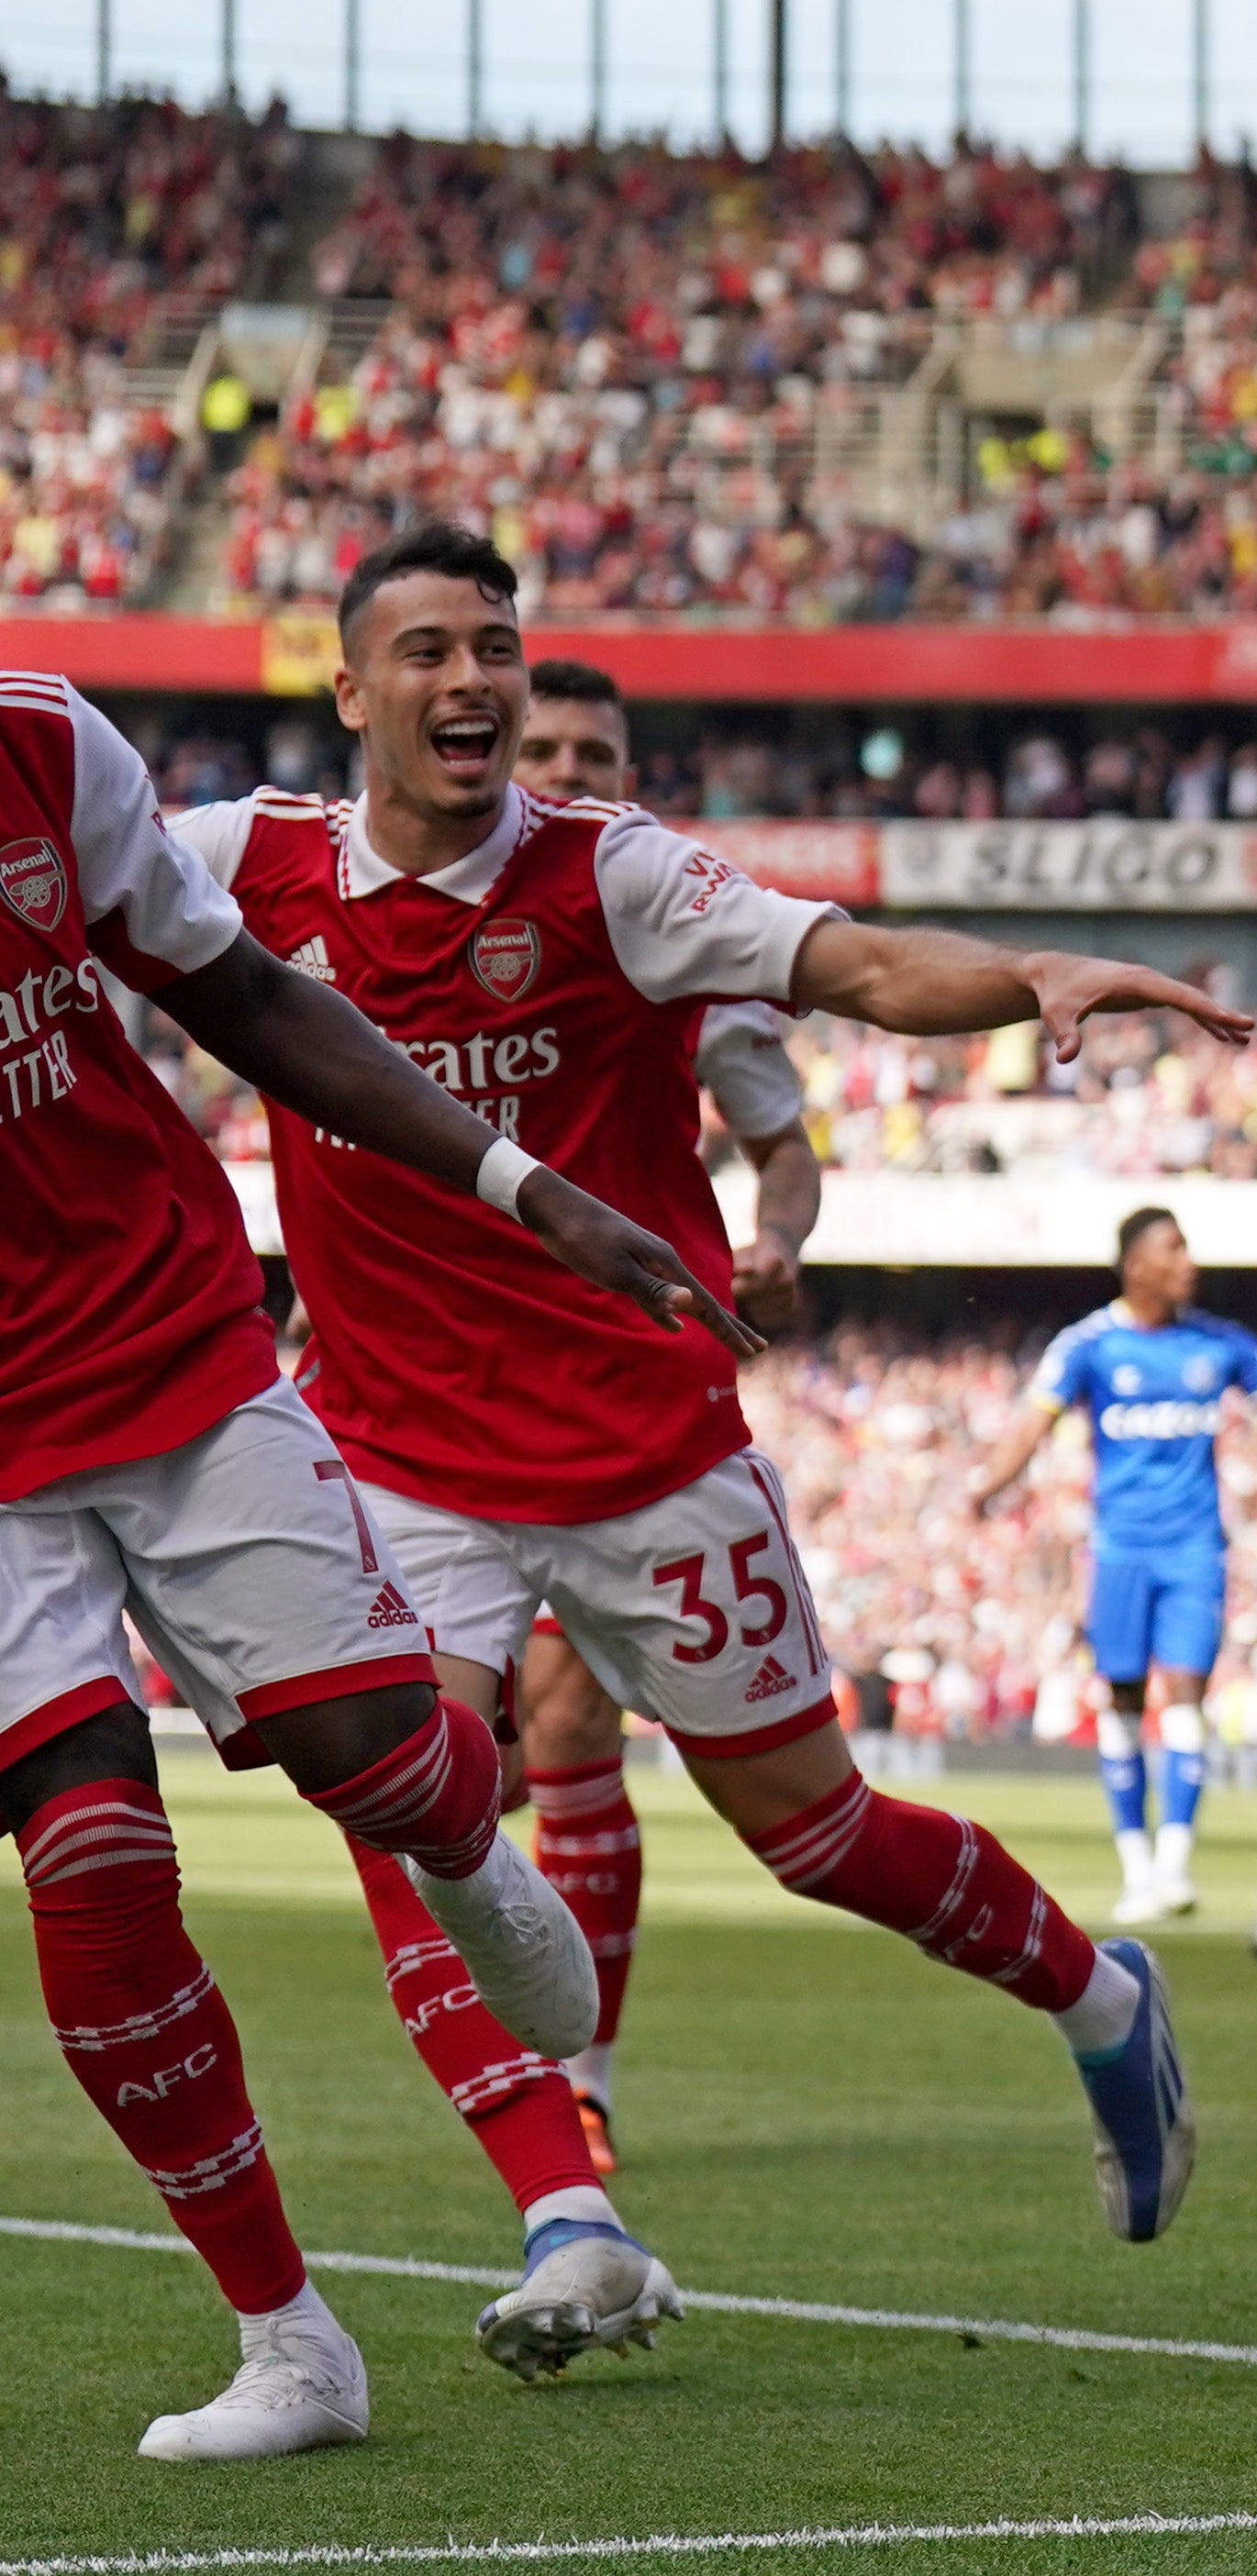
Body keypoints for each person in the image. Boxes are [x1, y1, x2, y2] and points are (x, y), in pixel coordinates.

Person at [170, 522, 1218, 2248]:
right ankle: (567, 2206)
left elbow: (866, 969)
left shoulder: (615, 873)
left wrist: (1031, 979)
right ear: (350, 689)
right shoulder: (246, 862)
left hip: (646, 1446)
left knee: (814, 1834)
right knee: (412, 1785)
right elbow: (59, 866)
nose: (473, 681)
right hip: (403, 1454)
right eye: (429, 651)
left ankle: (1105, 2002)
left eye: (495, 647)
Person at [4, 666, 731, 2456]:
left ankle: (471, 1835)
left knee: (380, 1765)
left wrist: (528, 1187)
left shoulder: (40, 740)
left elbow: (246, 990)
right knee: (89, 1848)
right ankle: (291, 2344)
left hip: (174, 1347)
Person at [502, 653, 828, 2178]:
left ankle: (581, 2078)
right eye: (545, 741)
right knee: (436, 1754)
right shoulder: (406, 903)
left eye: (597, 749)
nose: (568, 765)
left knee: (568, 1721)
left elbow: (782, 1141)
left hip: (614, 1377)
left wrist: (780, 1235)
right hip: (416, 1377)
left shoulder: (679, 938)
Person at [974, 1208, 1257, 1926]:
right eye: (1173, 1248)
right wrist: (987, 1486)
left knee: (1184, 1694)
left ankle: (1174, 1865)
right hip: (1119, 1549)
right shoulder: (1089, 1344)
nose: (1189, 1261)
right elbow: (1034, 1422)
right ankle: (1137, 1868)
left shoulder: (1220, 1344)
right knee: (1120, 1701)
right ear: (1135, 1264)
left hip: (1194, 1548)